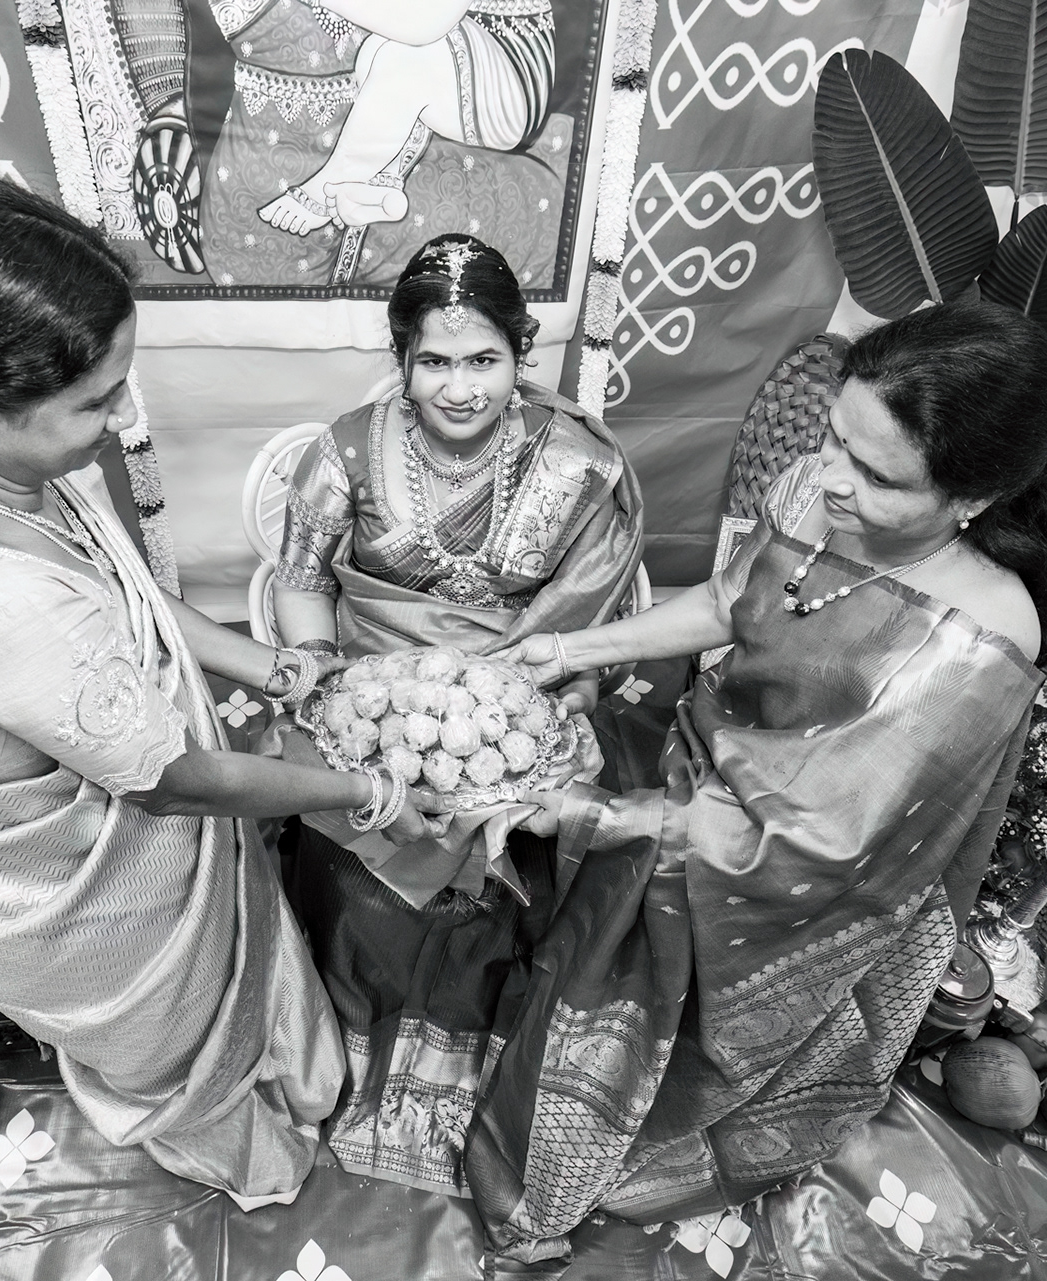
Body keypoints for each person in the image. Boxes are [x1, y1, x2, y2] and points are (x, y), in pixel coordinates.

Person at [0, 168, 445, 1206]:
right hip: (98, 907)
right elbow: (176, 784)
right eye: (97, 398)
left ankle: (289, 1065)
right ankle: (253, 1153)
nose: (124, 413)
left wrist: (281, 667)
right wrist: (366, 793)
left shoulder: (3, 478)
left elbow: (127, 594)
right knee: (192, 1051)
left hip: (153, 821)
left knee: (247, 958)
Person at [478, 301, 1047, 1267]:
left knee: (615, 1002)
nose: (830, 477)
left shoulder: (980, 636)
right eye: (834, 437)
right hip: (703, 773)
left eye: (876, 476)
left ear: (976, 495)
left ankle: (587, 1164)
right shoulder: (813, 489)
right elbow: (732, 601)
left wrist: (591, 813)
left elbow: (819, 844)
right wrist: (566, 650)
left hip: (791, 880)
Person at [272, 232, 643, 1195]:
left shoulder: (576, 465)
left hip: (525, 702)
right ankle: (345, 1043)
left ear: (521, 352)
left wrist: (537, 711)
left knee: (517, 848)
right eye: (434, 361)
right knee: (348, 841)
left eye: (484, 359)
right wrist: (326, 681)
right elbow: (303, 582)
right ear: (401, 357)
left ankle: (476, 1061)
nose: (461, 386)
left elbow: (595, 622)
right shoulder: (344, 450)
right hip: (371, 700)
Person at [256, 0, 554, 234]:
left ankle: (329, 186)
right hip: (472, 46)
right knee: (377, 50)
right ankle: (384, 185)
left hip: (511, 89)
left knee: (408, 60)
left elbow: (424, 24)